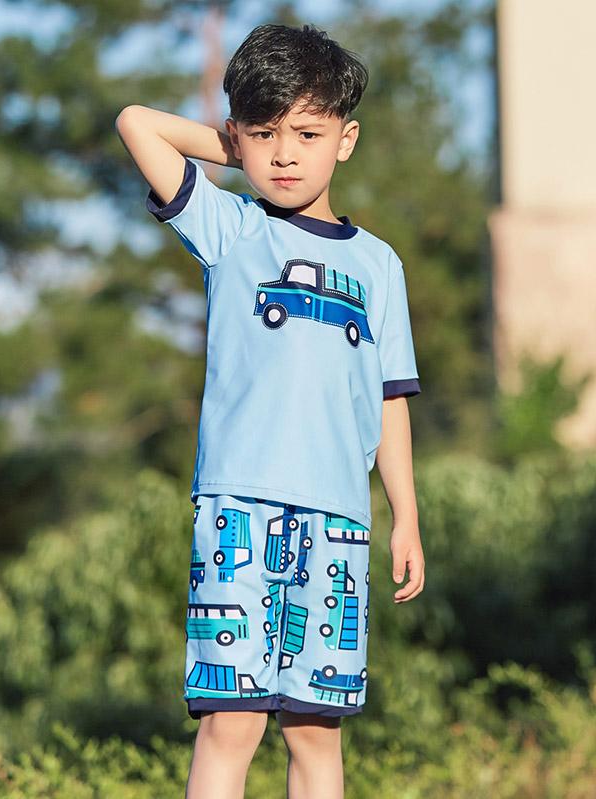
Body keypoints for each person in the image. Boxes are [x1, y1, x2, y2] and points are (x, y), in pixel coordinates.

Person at [116, 20, 425, 799]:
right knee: (233, 721)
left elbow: (390, 397)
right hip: (239, 512)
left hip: (339, 518)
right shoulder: (231, 228)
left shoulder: (379, 265)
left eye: (307, 134)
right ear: (238, 136)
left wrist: (406, 516)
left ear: (346, 140)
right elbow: (137, 123)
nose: (285, 154)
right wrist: (238, 149)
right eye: (265, 134)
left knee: (315, 730)